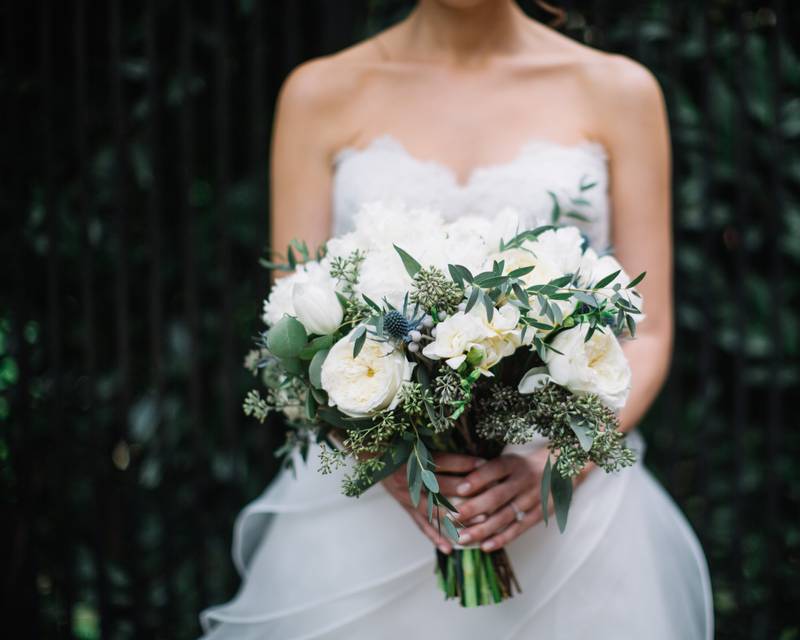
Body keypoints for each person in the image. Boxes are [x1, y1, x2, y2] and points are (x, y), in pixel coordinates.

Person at [200, 1, 713, 637]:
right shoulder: (319, 93)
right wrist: (388, 462)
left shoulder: (619, 91)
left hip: (568, 518)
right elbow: (294, 327)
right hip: (371, 524)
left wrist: (555, 463)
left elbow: (651, 331)